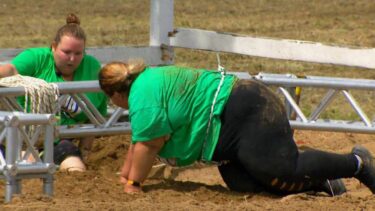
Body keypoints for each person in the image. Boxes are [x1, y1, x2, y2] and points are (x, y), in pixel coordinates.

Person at [98, 60, 375, 196]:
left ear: (114, 95)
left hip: (244, 110)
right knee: (244, 185)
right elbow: (140, 140)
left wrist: (133, 185)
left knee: (282, 168)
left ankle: (357, 163)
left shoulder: (141, 99)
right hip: (228, 126)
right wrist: (125, 175)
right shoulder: (144, 83)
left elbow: (150, 143)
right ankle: (321, 180)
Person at [0, 13, 107, 171]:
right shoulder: (37, 58)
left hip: (61, 140)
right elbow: (10, 70)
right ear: (54, 47)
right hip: (22, 138)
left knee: (77, 169)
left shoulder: (92, 67)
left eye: (78, 53)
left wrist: (85, 151)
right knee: (27, 168)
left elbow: (95, 116)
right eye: (66, 52)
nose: (72, 59)